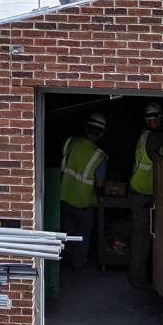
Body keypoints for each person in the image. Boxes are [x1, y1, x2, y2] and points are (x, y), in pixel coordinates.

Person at [128, 102, 163, 289]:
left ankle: (143, 276)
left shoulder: (146, 135)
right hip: (141, 196)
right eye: (153, 119)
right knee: (141, 240)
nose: (155, 122)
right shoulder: (153, 138)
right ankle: (137, 278)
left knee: (144, 238)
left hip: (143, 194)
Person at [58, 113, 108, 270]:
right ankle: (77, 265)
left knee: (66, 233)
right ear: (101, 133)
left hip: (64, 197)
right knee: (82, 237)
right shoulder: (99, 156)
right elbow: (99, 183)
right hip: (84, 203)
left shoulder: (70, 142)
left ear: (87, 128)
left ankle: (63, 262)